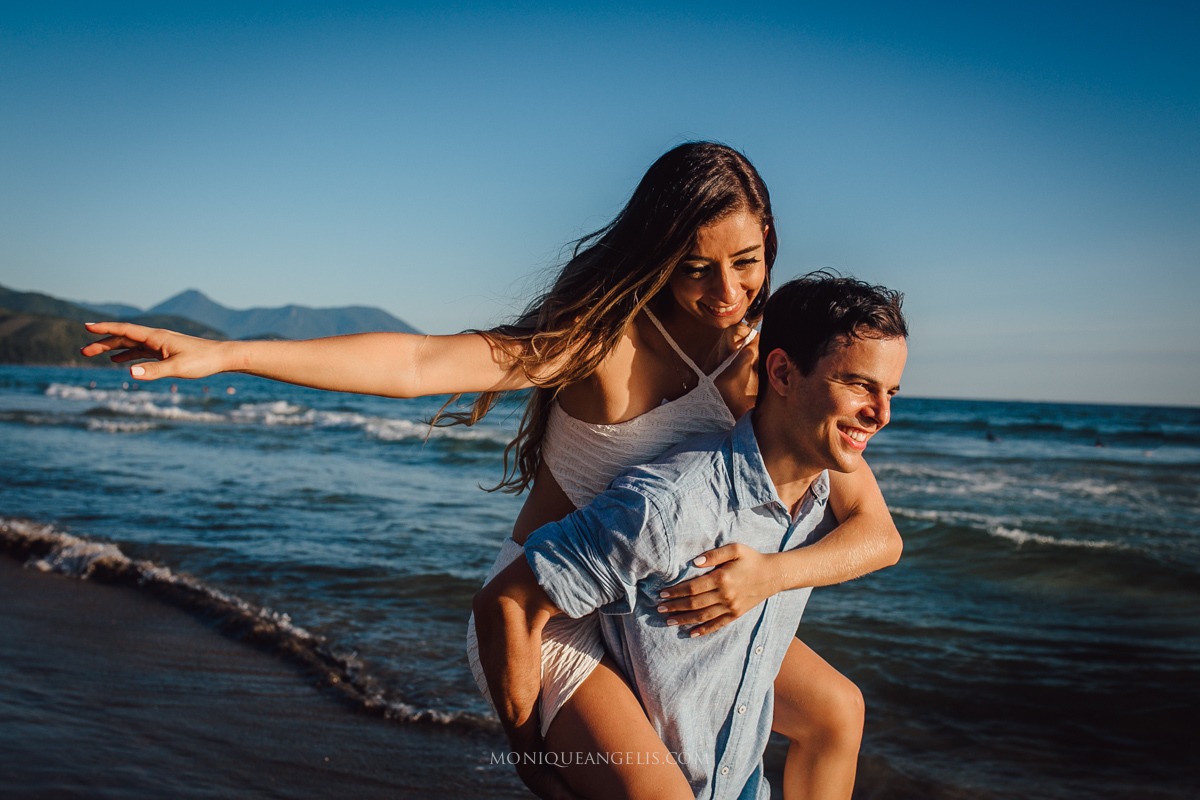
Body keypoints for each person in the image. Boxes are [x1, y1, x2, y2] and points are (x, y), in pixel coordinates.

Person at [80, 142, 901, 799]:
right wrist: (228, 352)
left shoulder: (770, 359)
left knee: (834, 713)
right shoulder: (600, 342)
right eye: (696, 266)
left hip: (655, 607)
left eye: (747, 261)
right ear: (658, 254)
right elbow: (417, 362)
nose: (728, 292)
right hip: (545, 615)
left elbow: (873, 530)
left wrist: (769, 575)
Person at [474, 275, 909, 800]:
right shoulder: (671, 506)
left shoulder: (818, 489)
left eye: (890, 392)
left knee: (838, 708)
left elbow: (882, 538)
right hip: (661, 770)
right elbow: (508, 602)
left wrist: (770, 575)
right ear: (781, 373)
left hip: (739, 779)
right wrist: (533, 760)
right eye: (859, 385)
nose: (882, 415)